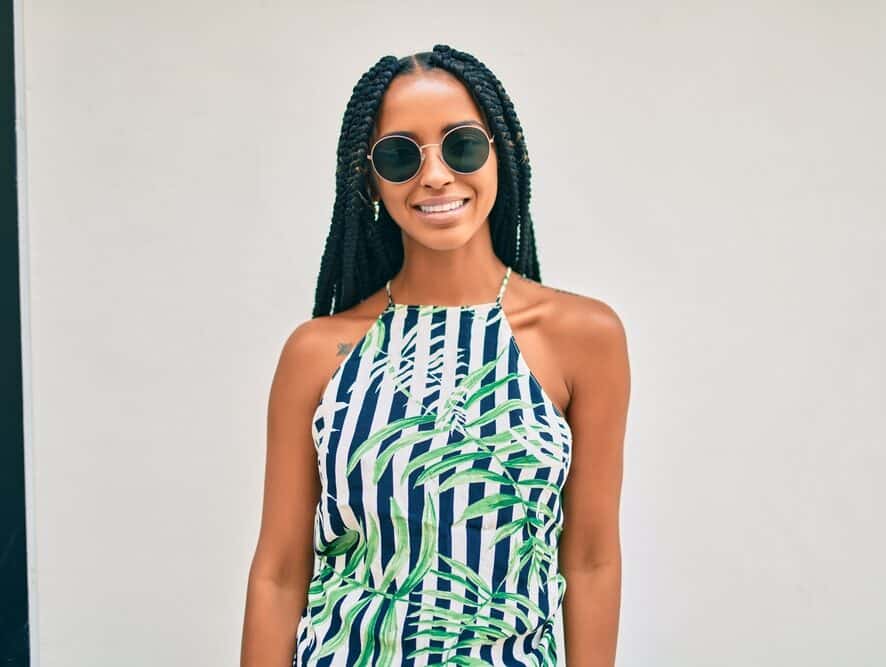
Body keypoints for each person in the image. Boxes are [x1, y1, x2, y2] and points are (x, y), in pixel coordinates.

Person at [241, 44, 630, 667]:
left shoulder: (583, 337)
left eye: (462, 144)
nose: (435, 175)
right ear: (368, 179)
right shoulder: (317, 354)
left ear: (501, 152)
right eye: (400, 155)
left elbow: (589, 559)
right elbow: (280, 573)